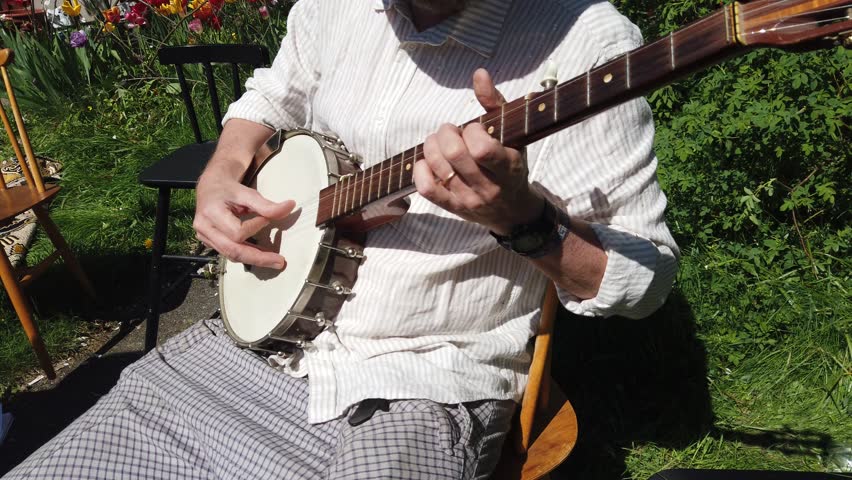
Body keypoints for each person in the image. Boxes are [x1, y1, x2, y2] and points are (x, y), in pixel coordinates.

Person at [4, 0, 678, 478]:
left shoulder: (589, 41)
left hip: (421, 382)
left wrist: (523, 222)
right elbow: (270, 94)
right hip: (255, 344)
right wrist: (219, 175)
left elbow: (644, 284)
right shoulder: (338, 5)